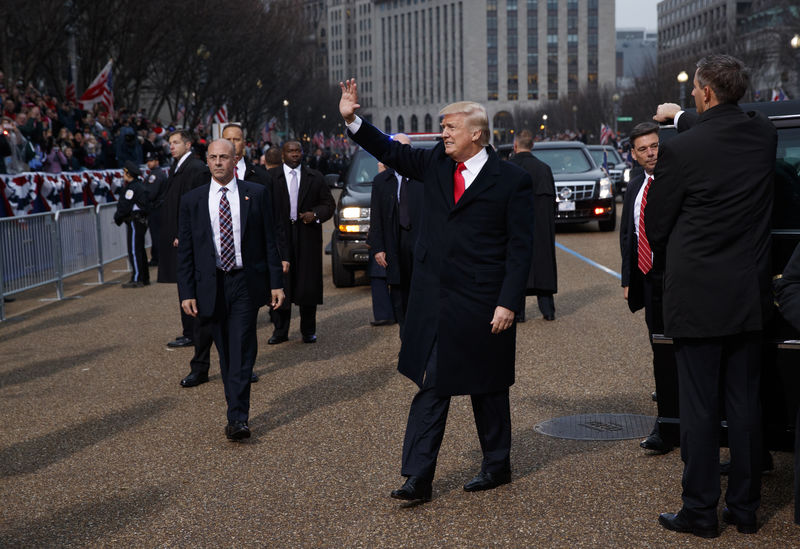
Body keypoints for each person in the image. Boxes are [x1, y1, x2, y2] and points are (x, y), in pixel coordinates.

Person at [339, 79, 534, 504]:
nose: (442, 134)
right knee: (432, 385)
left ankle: (496, 465)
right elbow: (392, 151)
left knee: (488, 387)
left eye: (449, 127)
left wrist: (508, 302)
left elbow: (521, 249)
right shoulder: (436, 166)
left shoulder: (512, 181)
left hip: (485, 302)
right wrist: (353, 119)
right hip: (435, 300)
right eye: (442, 127)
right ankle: (417, 478)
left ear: (476, 134)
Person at [648, 54, 777, 538]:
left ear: (703, 92)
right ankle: (745, 510)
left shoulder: (681, 149)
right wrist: (682, 118)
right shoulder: (761, 134)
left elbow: (658, 225)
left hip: (697, 296)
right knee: (745, 405)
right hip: (747, 291)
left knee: (700, 410)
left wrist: (680, 124)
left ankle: (700, 511)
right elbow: (737, 120)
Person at [177, 139, 284, 440]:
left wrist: (277, 283)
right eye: (213, 157)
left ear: (235, 160)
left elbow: (269, 242)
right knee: (225, 350)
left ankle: (238, 418)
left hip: (245, 282)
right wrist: (186, 291)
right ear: (207, 161)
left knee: (241, 347)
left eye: (224, 157)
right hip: (211, 284)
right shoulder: (193, 200)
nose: (218, 162)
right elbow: (186, 250)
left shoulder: (256, 194)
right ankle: (234, 403)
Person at [618, 121, 672, 455]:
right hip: (647, 281)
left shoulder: (676, 180)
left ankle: (670, 424)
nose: (651, 153)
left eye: (655, 145)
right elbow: (629, 234)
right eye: (643, 149)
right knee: (659, 351)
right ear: (634, 155)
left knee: (678, 354)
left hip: (676, 281)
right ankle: (668, 420)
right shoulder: (635, 185)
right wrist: (627, 279)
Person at [267, 141, 335, 344]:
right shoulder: (271, 178)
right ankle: (280, 331)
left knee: (308, 284)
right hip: (281, 235)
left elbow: (328, 204)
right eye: (290, 151)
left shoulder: (315, 177)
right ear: (283, 154)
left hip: (307, 236)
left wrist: (314, 215)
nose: (295, 154)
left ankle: (308, 330)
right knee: (281, 281)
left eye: (298, 151)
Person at [158, 130, 210, 350]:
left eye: (176, 143)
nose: (171, 146)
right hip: (176, 235)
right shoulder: (178, 166)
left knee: (189, 284)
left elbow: (196, 205)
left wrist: (183, 233)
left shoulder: (195, 168)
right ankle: (189, 330)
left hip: (185, 238)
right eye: (170, 143)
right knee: (184, 284)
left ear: (188, 145)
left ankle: (194, 331)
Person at [366, 134, 423, 330]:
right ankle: (406, 342)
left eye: (405, 148)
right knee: (399, 296)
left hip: (420, 243)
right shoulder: (382, 181)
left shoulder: (423, 178)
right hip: (394, 243)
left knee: (422, 293)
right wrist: (378, 247)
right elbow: (376, 217)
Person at [508, 129, 557, 322]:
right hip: (542, 227)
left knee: (516, 266)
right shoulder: (544, 169)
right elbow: (552, 203)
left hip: (515, 227)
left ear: (515, 145)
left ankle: (518, 312)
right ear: (532, 145)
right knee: (543, 265)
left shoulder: (508, 168)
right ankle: (548, 310)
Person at [114, 161, 151, 288]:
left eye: (125, 172)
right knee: (140, 249)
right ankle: (144, 277)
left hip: (135, 220)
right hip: (141, 220)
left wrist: (118, 217)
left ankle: (137, 278)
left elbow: (125, 205)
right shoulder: (140, 185)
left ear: (129, 174)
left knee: (135, 250)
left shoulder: (132, 187)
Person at [144, 151, 168, 267]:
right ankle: (159, 257)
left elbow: (151, 194)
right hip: (159, 207)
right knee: (158, 234)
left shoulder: (155, 175)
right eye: (148, 161)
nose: (149, 163)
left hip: (156, 208)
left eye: (151, 161)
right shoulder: (160, 173)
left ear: (157, 161)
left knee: (156, 234)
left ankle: (157, 258)